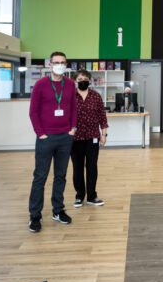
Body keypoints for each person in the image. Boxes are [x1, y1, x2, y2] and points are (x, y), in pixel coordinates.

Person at [28, 51, 77, 233]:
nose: (59, 65)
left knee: (60, 176)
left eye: (63, 62)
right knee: (40, 177)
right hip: (46, 138)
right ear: (49, 65)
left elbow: (73, 108)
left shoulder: (70, 84)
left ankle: (58, 210)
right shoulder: (40, 85)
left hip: (65, 137)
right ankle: (35, 215)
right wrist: (40, 133)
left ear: (66, 64)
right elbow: (33, 112)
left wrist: (73, 128)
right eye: (56, 62)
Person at [71, 69, 108, 208]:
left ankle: (92, 196)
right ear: (75, 81)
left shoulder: (96, 96)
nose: (82, 81)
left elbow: (102, 117)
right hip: (75, 138)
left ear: (89, 80)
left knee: (92, 167)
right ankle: (79, 196)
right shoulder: (71, 96)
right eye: (79, 79)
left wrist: (103, 135)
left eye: (85, 79)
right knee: (77, 168)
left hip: (93, 137)